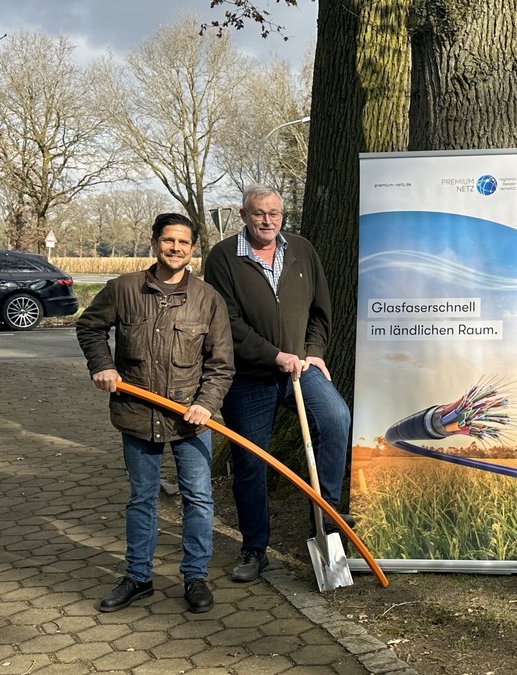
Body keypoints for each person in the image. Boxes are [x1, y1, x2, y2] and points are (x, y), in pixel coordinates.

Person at [76, 213, 234, 614]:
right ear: (154, 243)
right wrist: (102, 365)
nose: (175, 248)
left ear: (192, 249)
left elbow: (221, 364)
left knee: (198, 498)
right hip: (137, 413)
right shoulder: (123, 289)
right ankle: (138, 578)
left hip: (190, 418)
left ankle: (195, 577)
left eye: (183, 242)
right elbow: (90, 328)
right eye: (168, 241)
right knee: (141, 498)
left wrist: (206, 403)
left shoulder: (208, 299)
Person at [204, 184, 352, 582]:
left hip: (302, 371)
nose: (267, 221)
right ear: (243, 215)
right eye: (258, 214)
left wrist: (314, 350)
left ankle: (325, 520)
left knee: (336, 419)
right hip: (250, 378)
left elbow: (322, 309)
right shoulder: (222, 257)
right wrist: (274, 355)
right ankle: (254, 548)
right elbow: (227, 323)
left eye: (274, 213)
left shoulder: (302, 250)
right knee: (251, 462)